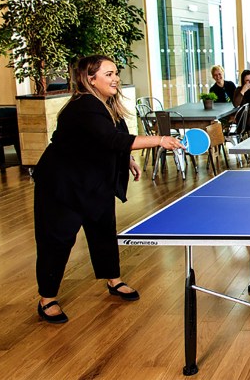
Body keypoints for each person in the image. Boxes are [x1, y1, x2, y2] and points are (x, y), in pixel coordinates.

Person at [34, 55, 186, 324]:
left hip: (94, 179)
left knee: (103, 230)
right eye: (108, 74)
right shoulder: (83, 107)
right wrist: (160, 139)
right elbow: (111, 139)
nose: (115, 78)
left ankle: (113, 280)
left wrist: (126, 160)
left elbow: (109, 142)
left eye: (116, 73)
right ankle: (47, 299)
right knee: (58, 240)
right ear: (89, 79)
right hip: (62, 184)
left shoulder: (108, 106)